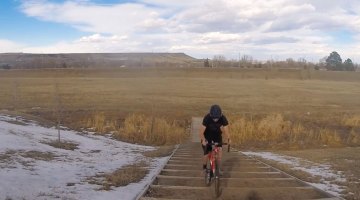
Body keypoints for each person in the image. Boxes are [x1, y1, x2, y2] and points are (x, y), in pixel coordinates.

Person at [199, 104, 230, 175]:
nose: (215, 119)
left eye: (217, 118)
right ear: (210, 115)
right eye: (213, 118)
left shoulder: (223, 118)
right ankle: (204, 168)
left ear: (220, 115)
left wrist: (228, 139)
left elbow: (226, 130)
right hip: (207, 136)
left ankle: (218, 169)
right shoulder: (207, 118)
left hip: (217, 136)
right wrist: (203, 140)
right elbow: (201, 132)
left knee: (219, 154)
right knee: (206, 153)